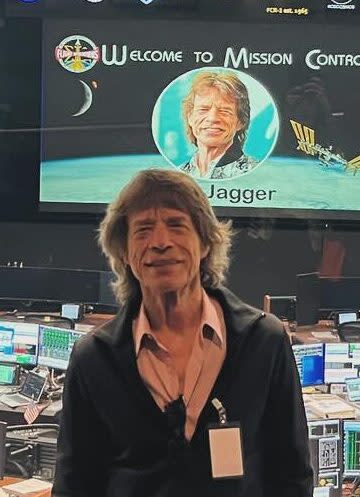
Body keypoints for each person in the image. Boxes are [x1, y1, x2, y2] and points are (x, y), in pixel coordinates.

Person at [54, 169, 312, 497]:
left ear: (205, 242)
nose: (161, 242)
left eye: (176, 224)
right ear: (124, 252)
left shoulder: (265, 341)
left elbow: (292, 476)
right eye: (143, 229)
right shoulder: (93, 357)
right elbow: (74, 484)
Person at [178, 71, 259, 180]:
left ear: (241, 122)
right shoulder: (177, 173)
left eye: (224, 111)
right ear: (190, 118)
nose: (212, 118)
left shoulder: (256, 172)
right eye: (203, 109)